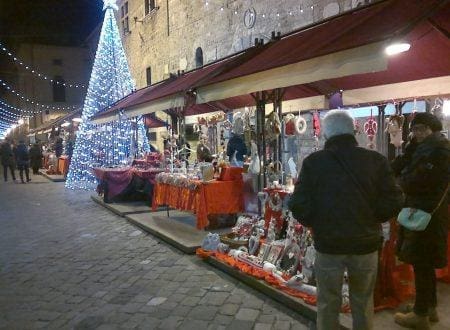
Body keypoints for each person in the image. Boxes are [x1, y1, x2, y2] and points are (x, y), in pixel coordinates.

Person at [288, 110, 403, 330]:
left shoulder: (314, 162)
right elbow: (395, 199)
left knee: (328, 303)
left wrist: (317, 223)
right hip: (366, 244)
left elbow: (298, 204)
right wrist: (375, 217)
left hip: (329, 245)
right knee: (362, 301)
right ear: (353, 130)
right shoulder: (375, 159)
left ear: (326, 133)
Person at [392, 112, 449, 329]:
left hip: (428, 214)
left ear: (433, 130)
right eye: (415, 129)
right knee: (422, 262)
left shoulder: (441, 151)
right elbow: (402, 166)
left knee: (422, 262)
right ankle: (428, 306)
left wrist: (402, 180)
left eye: (422, 129)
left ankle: (420, 314)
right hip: (423, 211)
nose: (418, 133)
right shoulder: (420, 147)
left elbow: (420, 181)